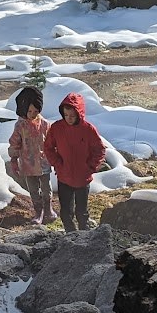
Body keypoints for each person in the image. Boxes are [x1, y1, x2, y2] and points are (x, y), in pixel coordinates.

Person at [42, 91, 108, 232]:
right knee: (66, 212)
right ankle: (70, 235)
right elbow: (48, 148)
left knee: (82, 212)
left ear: (79, 113)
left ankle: (84, 235)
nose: (69, 118)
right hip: (64, 176)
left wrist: (90, 166)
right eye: (66, 115)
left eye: (72, 115)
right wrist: (58, 163)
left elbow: (99, 149)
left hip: (82, 178)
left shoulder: (88, 129)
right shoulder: (57, 128)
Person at [7, 86, 53, 225]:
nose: (33, 114)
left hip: (43, 162)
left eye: (36, 111)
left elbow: (51, 142)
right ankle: (38, 212)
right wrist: (14, 161)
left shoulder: (45, 124)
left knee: (46, 188)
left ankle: (48, 209)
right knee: (33, 189)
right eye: (29, 111)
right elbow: (15, 144)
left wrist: (56, 158)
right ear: (23, 109)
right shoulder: (20, 126)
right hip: (28, 163)